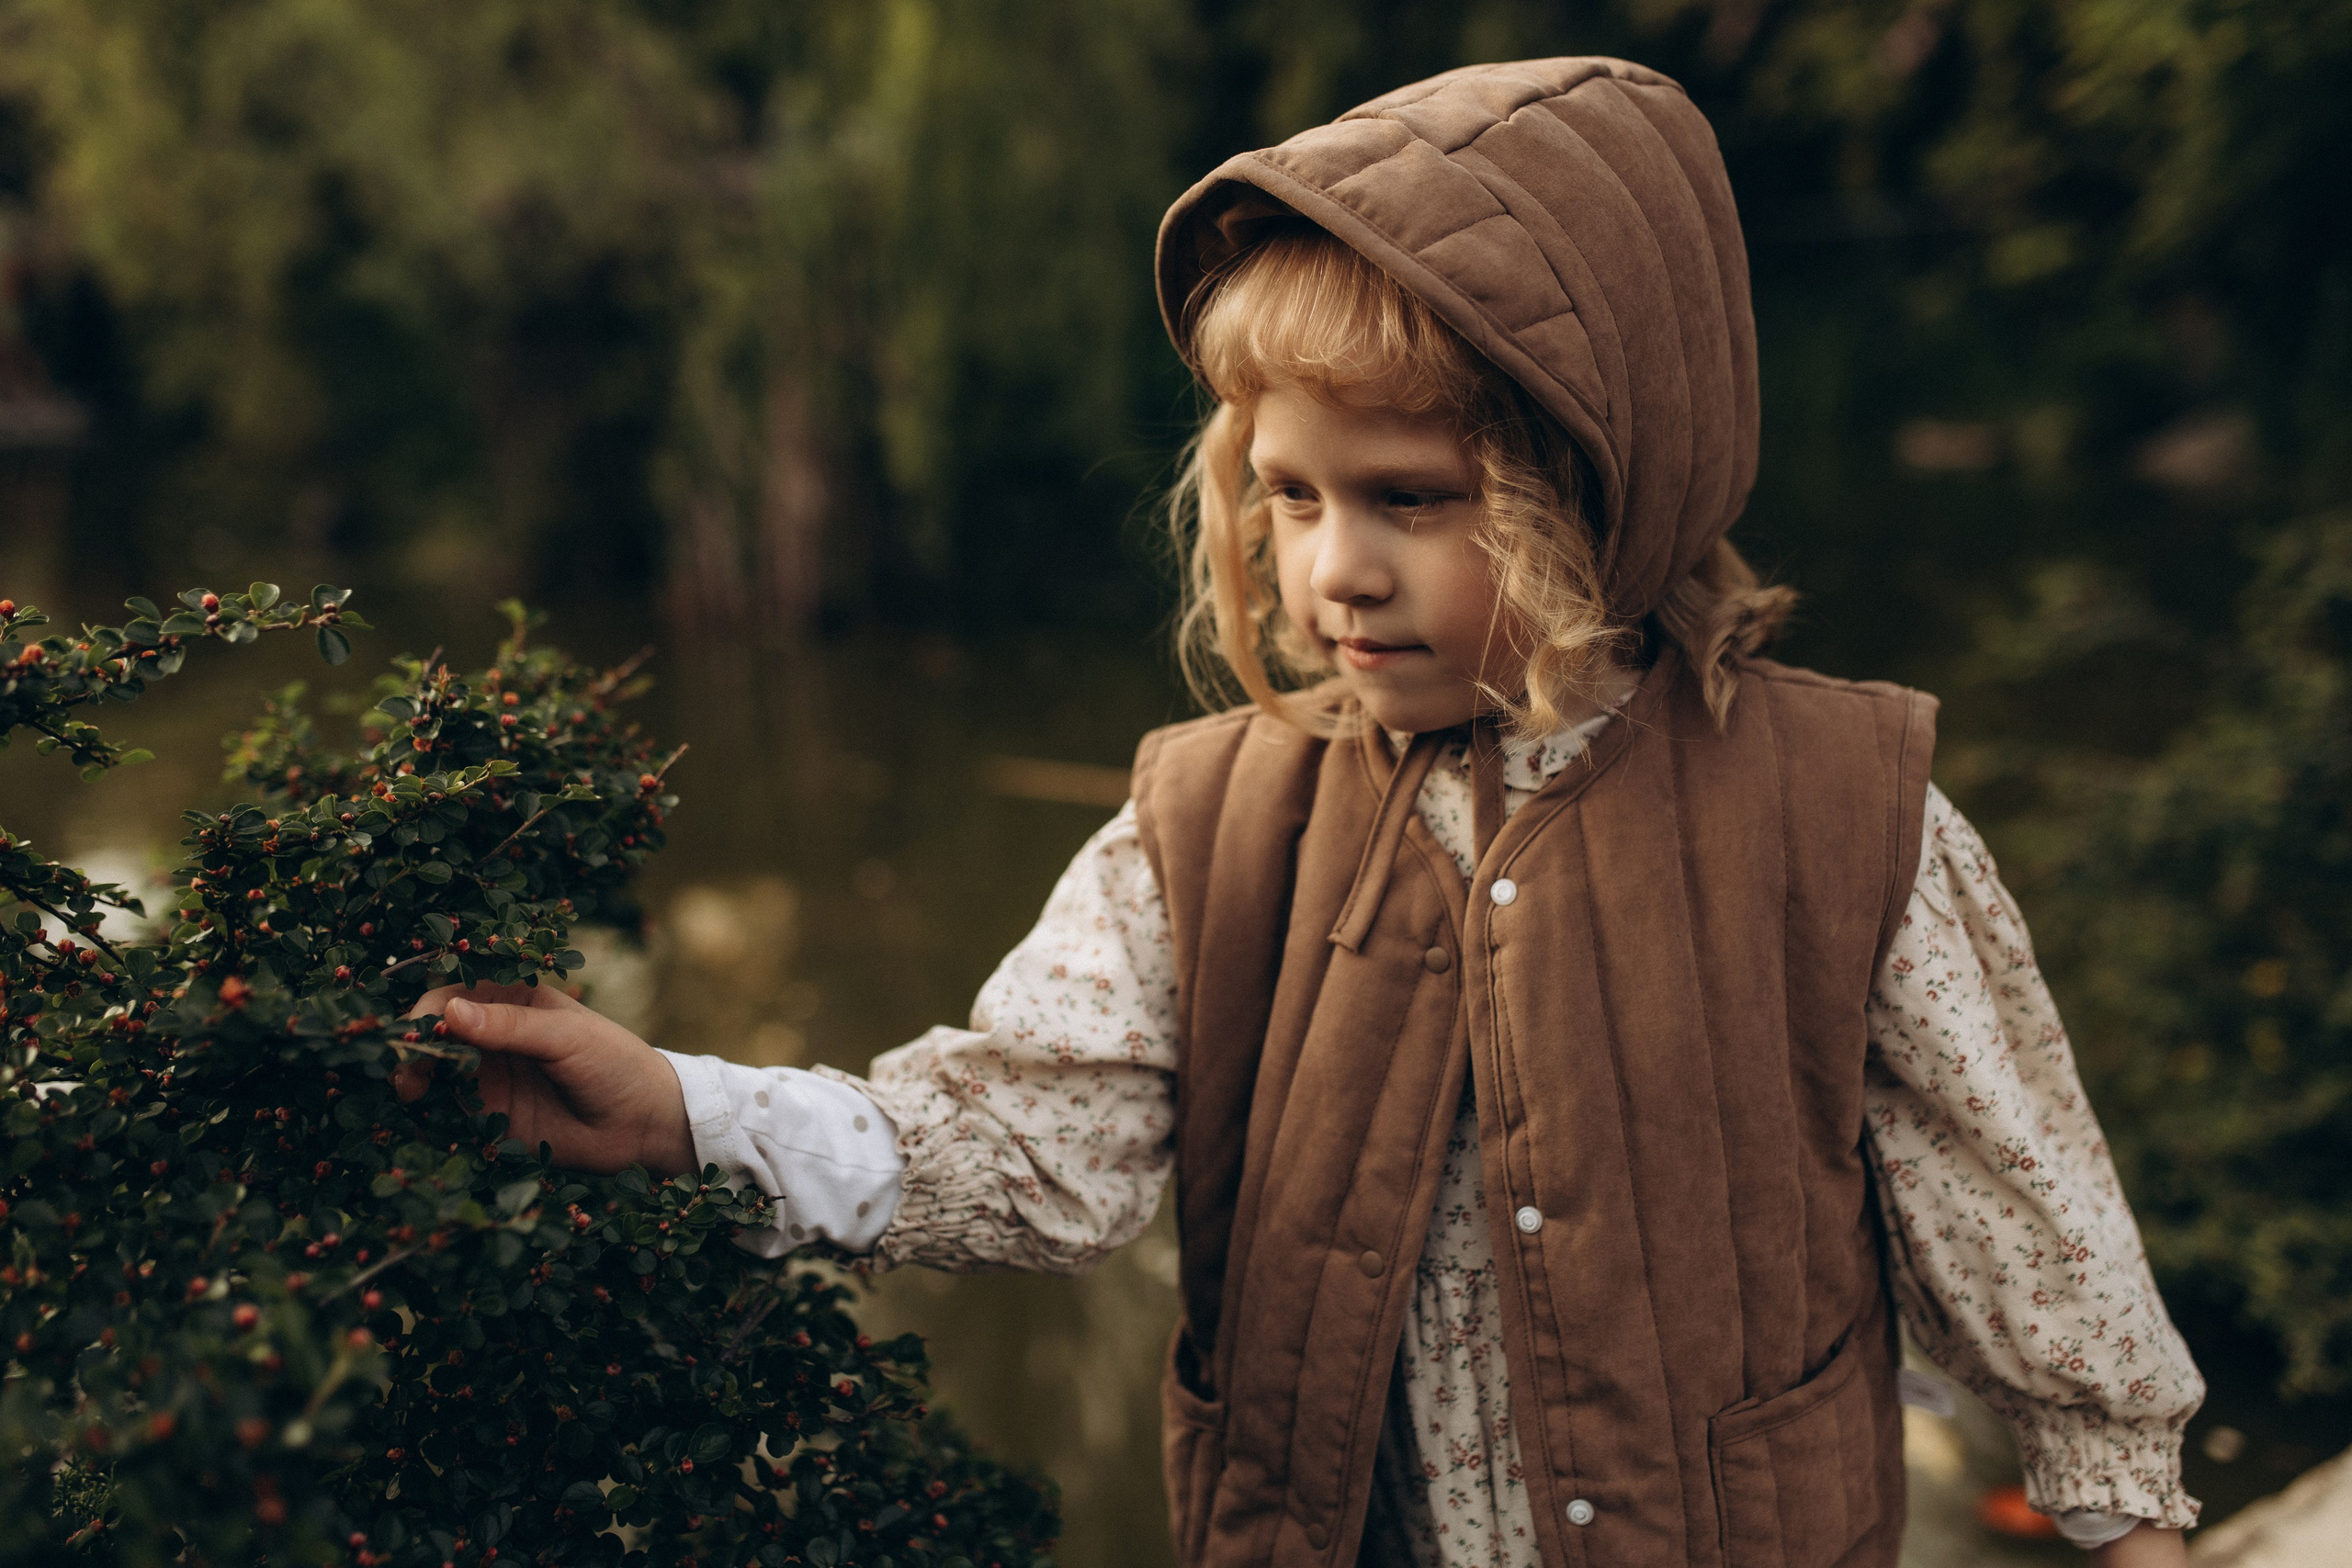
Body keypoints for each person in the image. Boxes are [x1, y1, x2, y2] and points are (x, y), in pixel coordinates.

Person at [405, 57, 2202, 1568]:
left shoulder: (1843, 817)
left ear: (1605, 477)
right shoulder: (1207, 825)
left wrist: (2133, 1526)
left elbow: (2028, 1244)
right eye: (1285, 489)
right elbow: (1032, 1139)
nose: (1330, 566)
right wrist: (689, 1113)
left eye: (1408, 496)